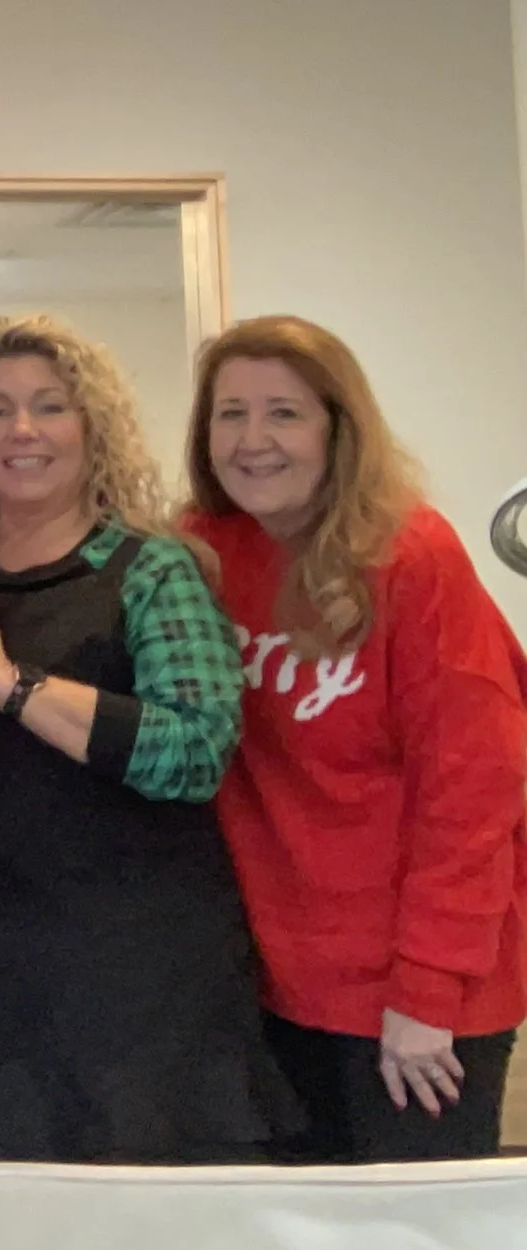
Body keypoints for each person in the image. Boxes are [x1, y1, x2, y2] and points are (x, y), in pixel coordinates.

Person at [0, 312, 297, 1164]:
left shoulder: (154, 570)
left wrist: (10, 685)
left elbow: (195, 750)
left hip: (144, 991)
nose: (21, 431)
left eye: (49, 406)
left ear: (93, 427)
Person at [181, 315, 527, 1162]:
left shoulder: (410, 557)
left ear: (340, 430)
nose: (253, 441)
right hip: (276, 983)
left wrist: (427, 990)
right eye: (231, 414)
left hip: (417, 987)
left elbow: (475, 790)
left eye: (284, 414)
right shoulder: (201, 553)